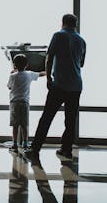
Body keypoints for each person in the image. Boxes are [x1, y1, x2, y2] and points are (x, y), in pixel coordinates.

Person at [24, 14, 86, 161]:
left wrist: (49, 78)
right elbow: (81, 63)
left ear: (62, 23)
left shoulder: (58, 36)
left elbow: (49, 56)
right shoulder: (82, 41)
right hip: (76, 85)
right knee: (70, 121)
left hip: (59, 84)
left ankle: (35, 149)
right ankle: (66, 150)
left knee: (46, 118)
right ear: (75, 24)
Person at [7, 54, 46, 153]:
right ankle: (25, 143)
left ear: (15, 65)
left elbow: (9, 87)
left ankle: (15, 144)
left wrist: (12, 73)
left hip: (14, 103)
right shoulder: (29, 74)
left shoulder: (12, 76)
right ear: (26, 65)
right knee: (24, 124)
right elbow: (41, 74)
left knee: (15, 125)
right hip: (24, 102)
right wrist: (49, 70)